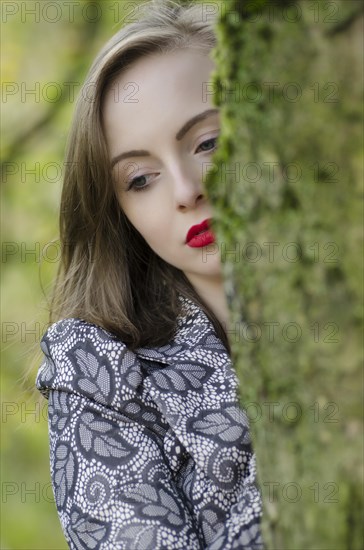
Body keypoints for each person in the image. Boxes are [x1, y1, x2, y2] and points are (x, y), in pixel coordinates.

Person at [36, 0, 263, 548]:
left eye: (208, 143)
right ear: (119, 213)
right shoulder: (97, 369)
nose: (187, 191)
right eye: (140, 178)